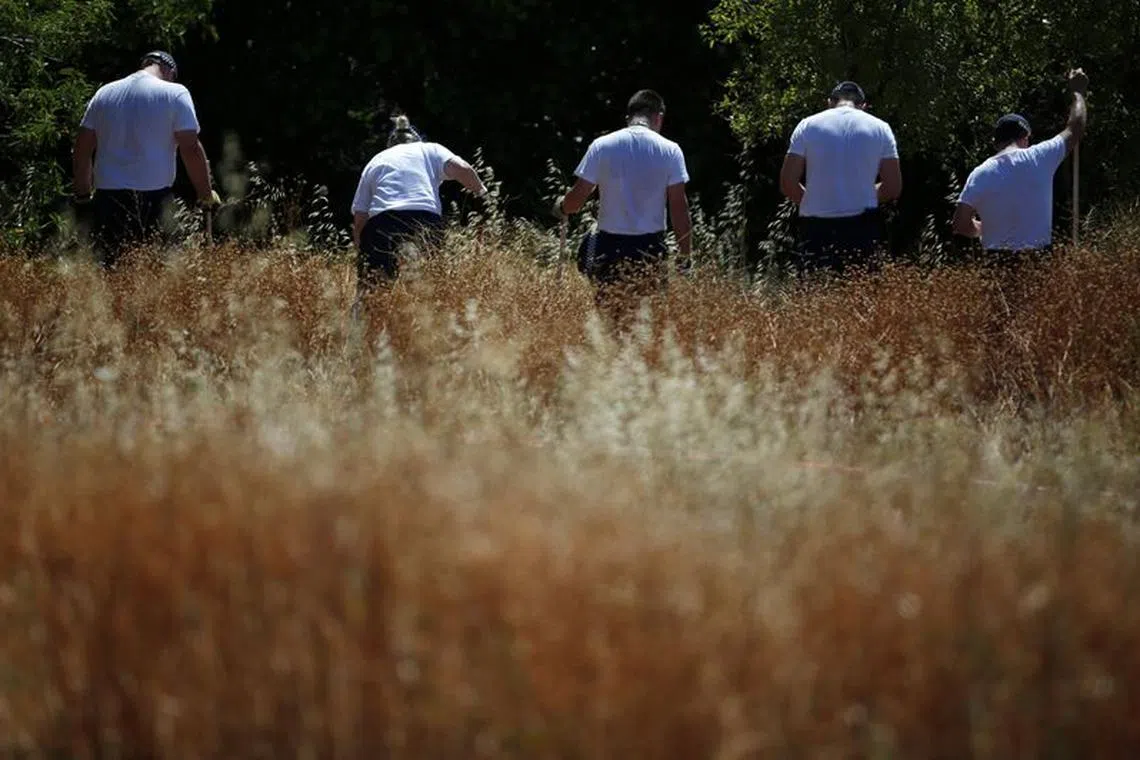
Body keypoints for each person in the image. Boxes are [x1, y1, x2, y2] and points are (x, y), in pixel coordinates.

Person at [72, 50, 220, 268]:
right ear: (170, 70)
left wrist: (83, 195)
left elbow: (82, 149)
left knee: (112, 273)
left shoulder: (105, 93)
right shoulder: (175, 93)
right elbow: (190, 148)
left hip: (108, 199)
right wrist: (205, 194)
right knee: (157, 274)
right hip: (155, 200)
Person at [552, 89, 692, 317]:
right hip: (651, 250)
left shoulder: (602, 146)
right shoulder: (671, 151)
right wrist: (685, 257)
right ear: (659, 118)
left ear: (628, 117)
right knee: (647, 323)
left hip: (609, 248)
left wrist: (562, 207)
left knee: (609, 322)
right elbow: (679, 209)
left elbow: (577, 199)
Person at [952, 69, 1089, 270]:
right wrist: (1078, 92)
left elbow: (960, 224)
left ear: (996, 143)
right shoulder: (1040, 157)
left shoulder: (980, 174)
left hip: (996, 266)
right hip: (1038, 263)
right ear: (1025, 137)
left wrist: (982, 228)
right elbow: (1075, 127)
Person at [350, 114, 487, 294]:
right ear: (416, 139)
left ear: (391, 144)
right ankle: (427, 319)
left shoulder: (376, 160)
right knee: (428, 289)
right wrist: (484, 195)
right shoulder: (430, 149)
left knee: (374, 291)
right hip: (425, 220)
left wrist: (363, 251)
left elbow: (360, 217)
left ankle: (369, 317)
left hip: (383, 223)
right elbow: (463, 169)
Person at [779, 81, 902, 277]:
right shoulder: (881, 128)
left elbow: (788, 183)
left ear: (830, 102)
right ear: (863, 105)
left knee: (814, 295)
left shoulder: (807, 125)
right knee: (860, 296)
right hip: (862, 226)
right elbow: (893, 187)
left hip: (816, 227)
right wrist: (861, 195)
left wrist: (817, 199)